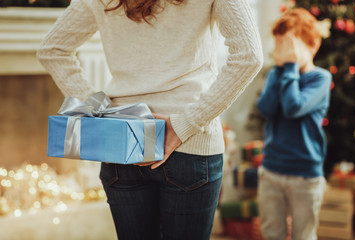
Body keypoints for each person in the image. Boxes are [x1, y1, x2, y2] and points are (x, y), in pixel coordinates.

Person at [37, 0, 263, 239]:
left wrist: (100, 110)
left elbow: (52, 49)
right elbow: (249, 55)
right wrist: (185, 123)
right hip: (191, 148)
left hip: (124, 141)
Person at [256, 8, 332, 240]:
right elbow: (265, 108)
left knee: (304, 235)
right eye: (279, 44)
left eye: (290, 44)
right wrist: (282, 71)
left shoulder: (320, 78)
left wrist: (289, 67)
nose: (283, 51)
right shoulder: (277, 74)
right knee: (271, 233)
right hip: (271, 171)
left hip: (305, 176)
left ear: (312, 45)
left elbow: (293, 107)